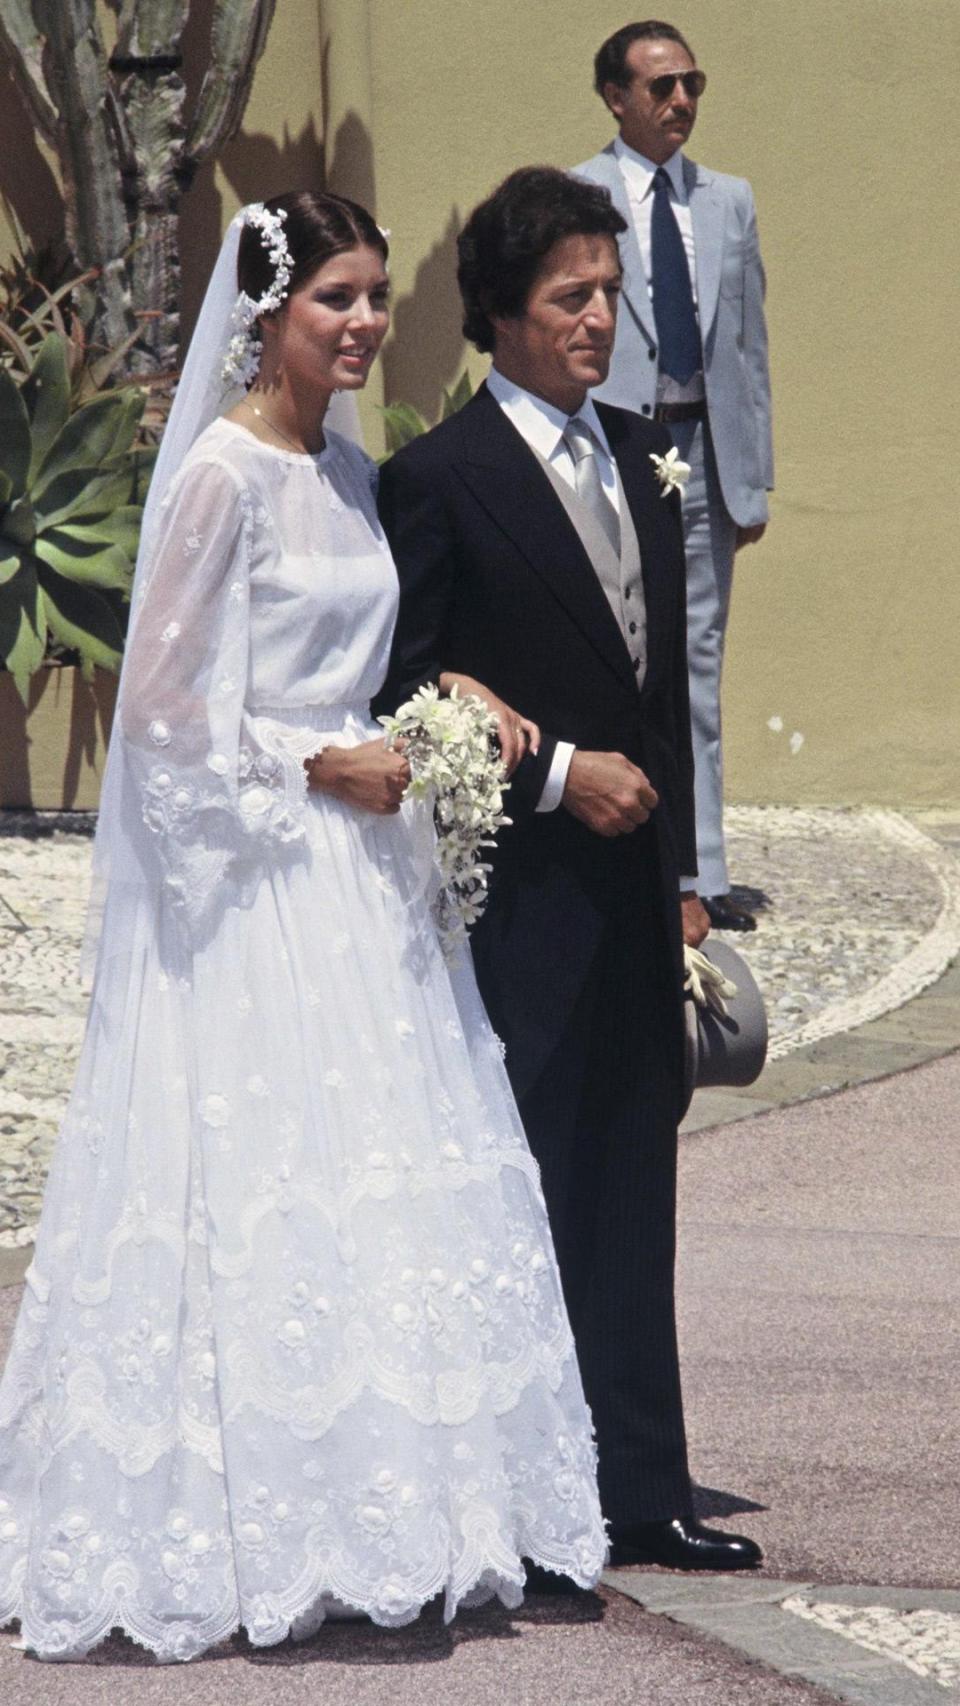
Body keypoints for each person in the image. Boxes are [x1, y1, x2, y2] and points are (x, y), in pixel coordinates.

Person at [0, 191, 607, 1665]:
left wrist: (435, 715)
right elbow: (158, 715)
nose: (364, 323)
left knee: (388, 1189)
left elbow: (352, 659)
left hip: (369, 885)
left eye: (378, 296)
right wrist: (309, 764)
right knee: (263, 1180)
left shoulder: (345, 465)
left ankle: (394, 1513)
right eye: (336, 296)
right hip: (272, 880)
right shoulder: (219, 476)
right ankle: (240, 1521)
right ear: (266, 314)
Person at [376, 166, 762, 1572]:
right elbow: (408, 693)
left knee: (633, 1190)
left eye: (610, 292)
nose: (601, 317)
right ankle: (529, 1502)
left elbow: (664, 697)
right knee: (525, 1193)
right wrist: (553, 779)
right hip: (516, 906)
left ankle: (644, 1485)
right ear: (499, 316)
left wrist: (684, 879)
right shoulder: (438, 481)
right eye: (571, 296)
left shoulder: (646, 469)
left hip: (632, 901)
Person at [575, 20, 774, 931]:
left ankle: (704, 867)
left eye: (692, 82)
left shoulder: (728, 201)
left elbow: (749, 347)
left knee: (697, 660)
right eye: (660, 86)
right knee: (620, 653)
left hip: (706, 455)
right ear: (617, 98)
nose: (681, 100)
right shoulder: (580, 193)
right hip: (617, 449)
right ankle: (628, 853)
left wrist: (754, 477)